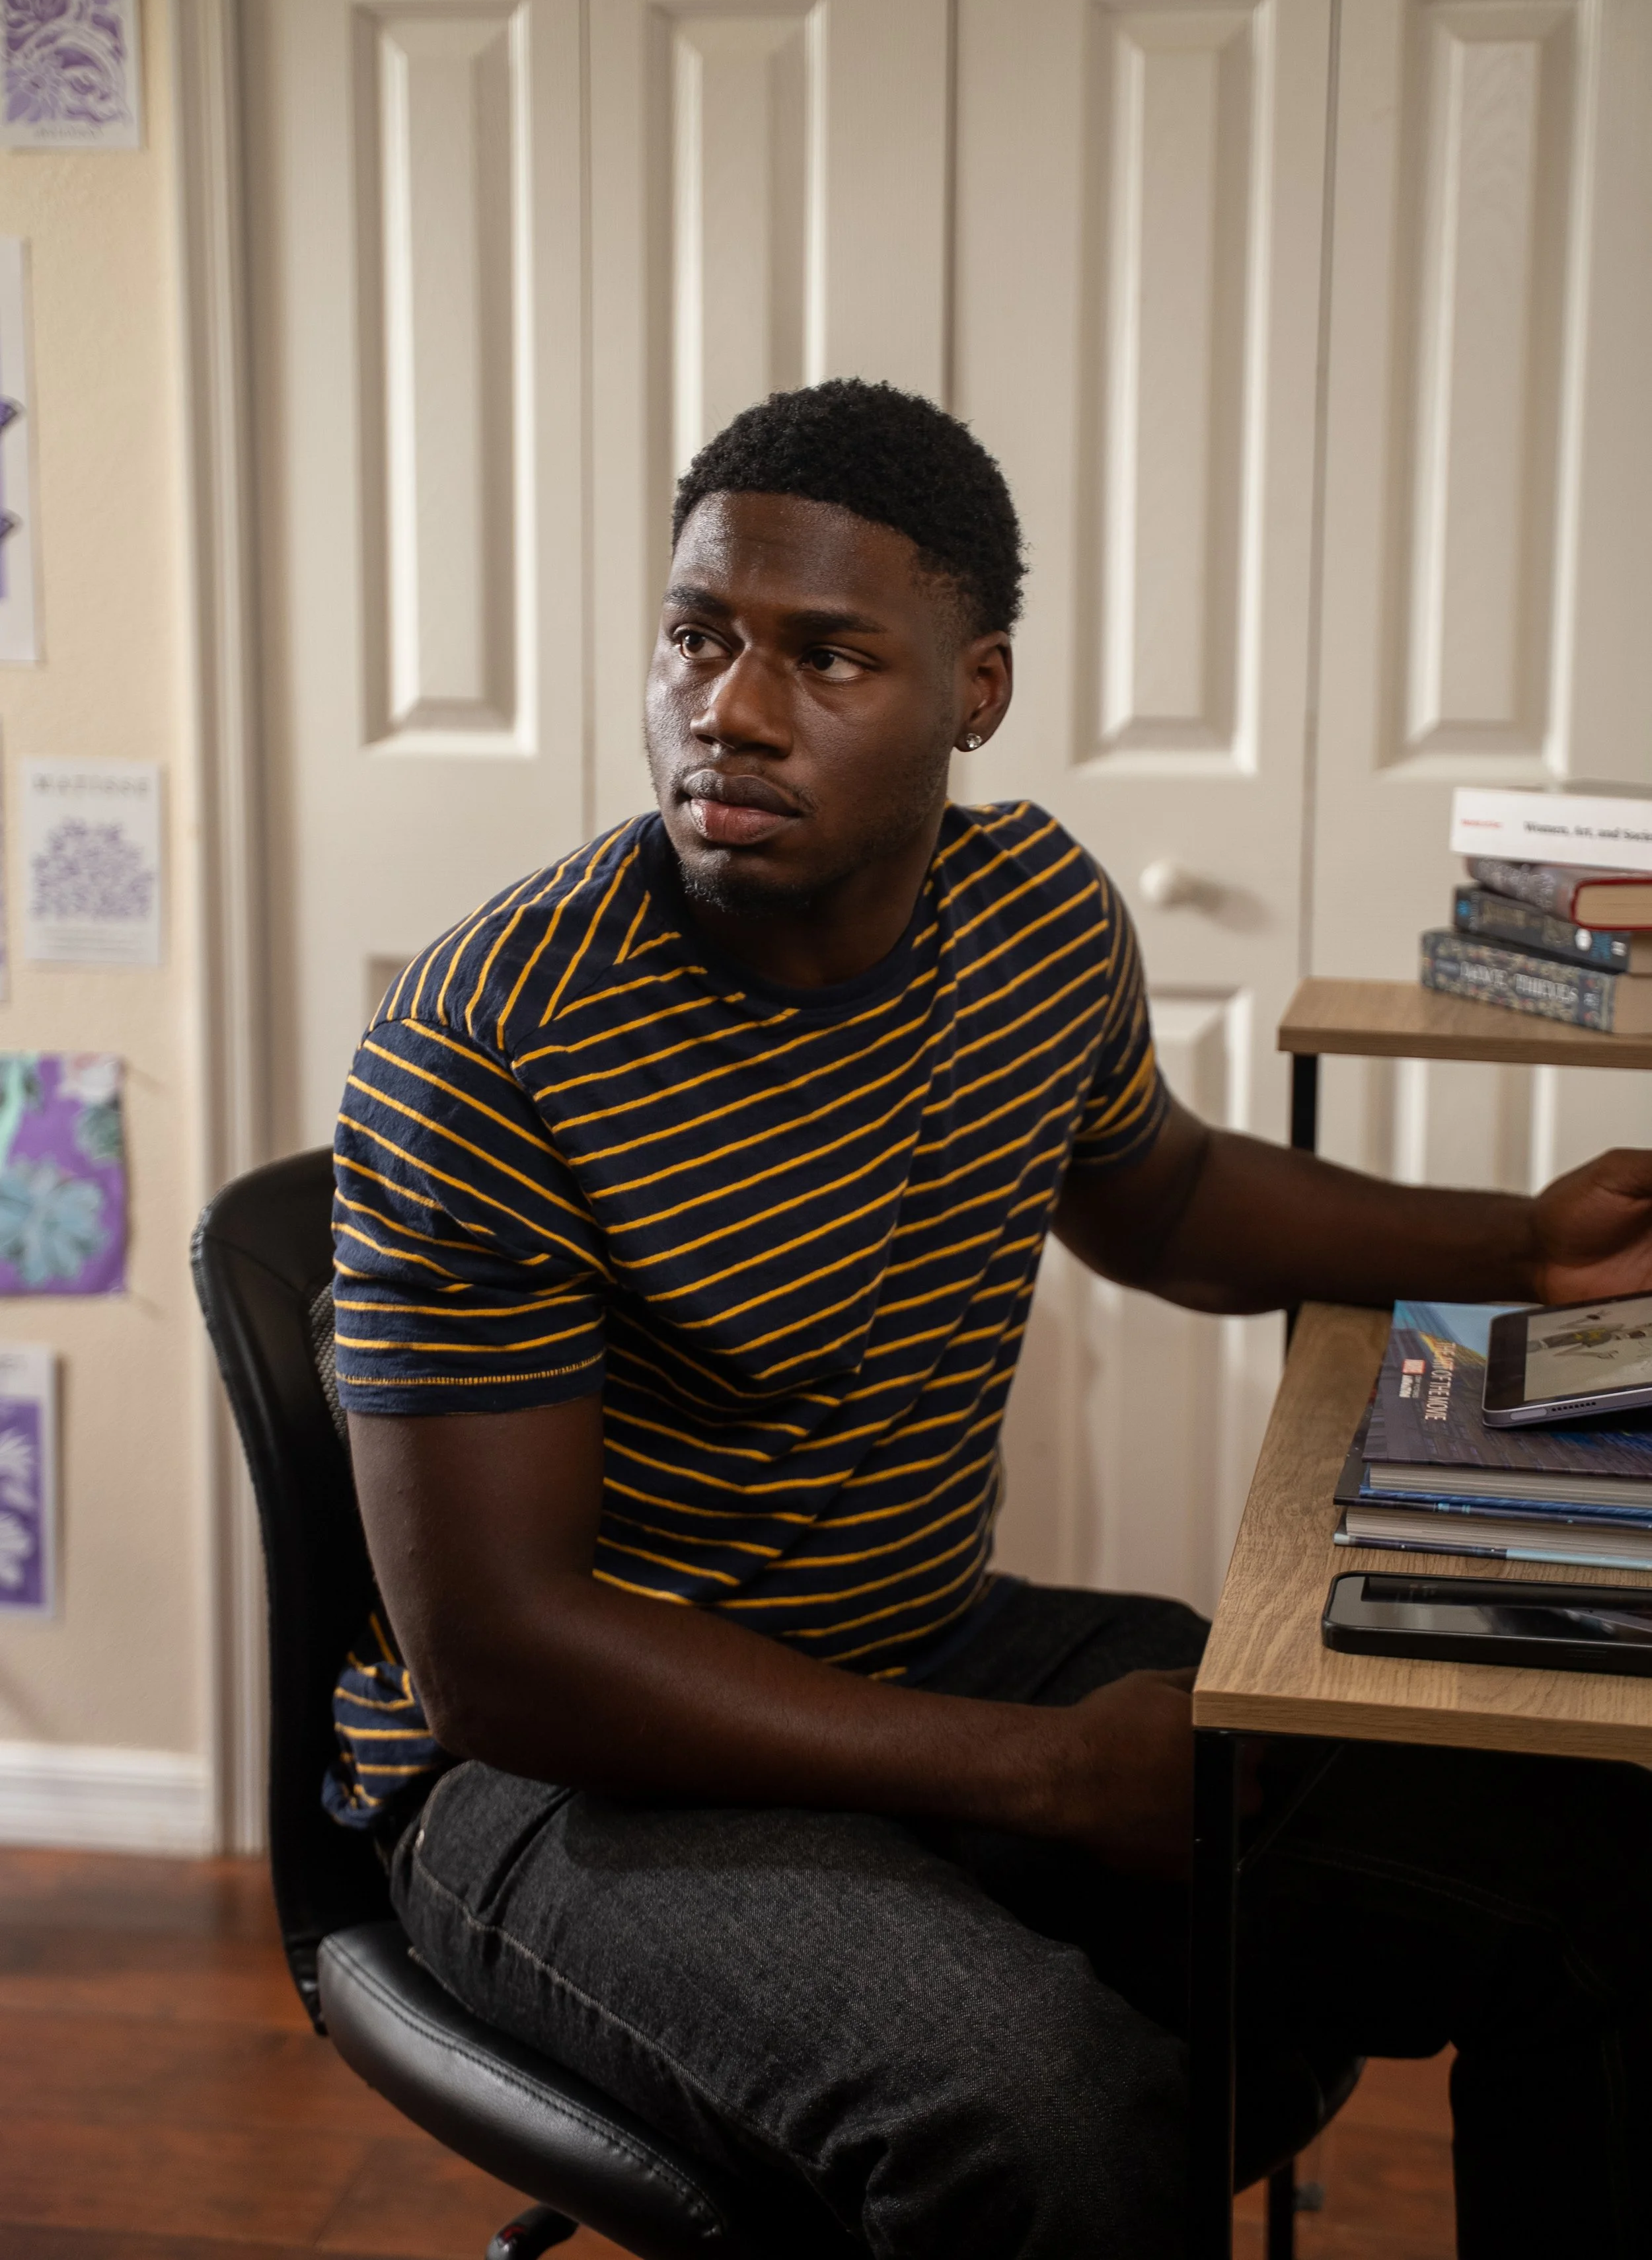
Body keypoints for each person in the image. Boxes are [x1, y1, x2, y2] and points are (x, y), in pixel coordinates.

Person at [330, 381, 1652, 2259]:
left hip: (916, 1643)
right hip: (563, 1783)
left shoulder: (1031, 912)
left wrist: (1523, 1240)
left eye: (828, 653)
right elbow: (495, 1655)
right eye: (697, 634)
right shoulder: (496, 1043)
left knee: (1578, 1869)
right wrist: (1039, 1772)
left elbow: (1170, 1194)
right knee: (1059, 2119)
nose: (732, 706)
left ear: (976, 692)